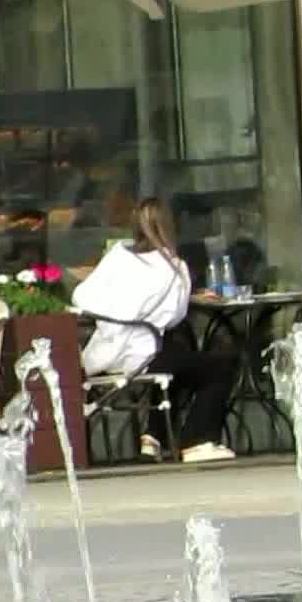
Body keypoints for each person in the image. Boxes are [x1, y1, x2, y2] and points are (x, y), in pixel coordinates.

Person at [73, 198, 236, 464]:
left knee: (178, 357)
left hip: (104, 355)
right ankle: (197, 441)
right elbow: (175, 316)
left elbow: (82, 297)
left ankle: (153, 437)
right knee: (221, 365)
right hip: (144, 356)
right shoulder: (173, 267)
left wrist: (117, 316)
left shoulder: (116, 256)